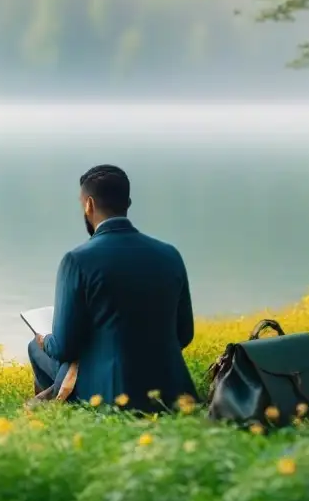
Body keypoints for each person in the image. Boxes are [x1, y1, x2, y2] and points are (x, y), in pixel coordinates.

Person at [27, 164, 199, 413]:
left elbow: (64, 347)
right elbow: (184, 334)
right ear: (127, 202)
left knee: (36, 347)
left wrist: (45, 341)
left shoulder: (77, 260)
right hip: (171, 388)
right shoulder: (170, 254)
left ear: (88, 204)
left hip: (109, 391)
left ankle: (60, 411)